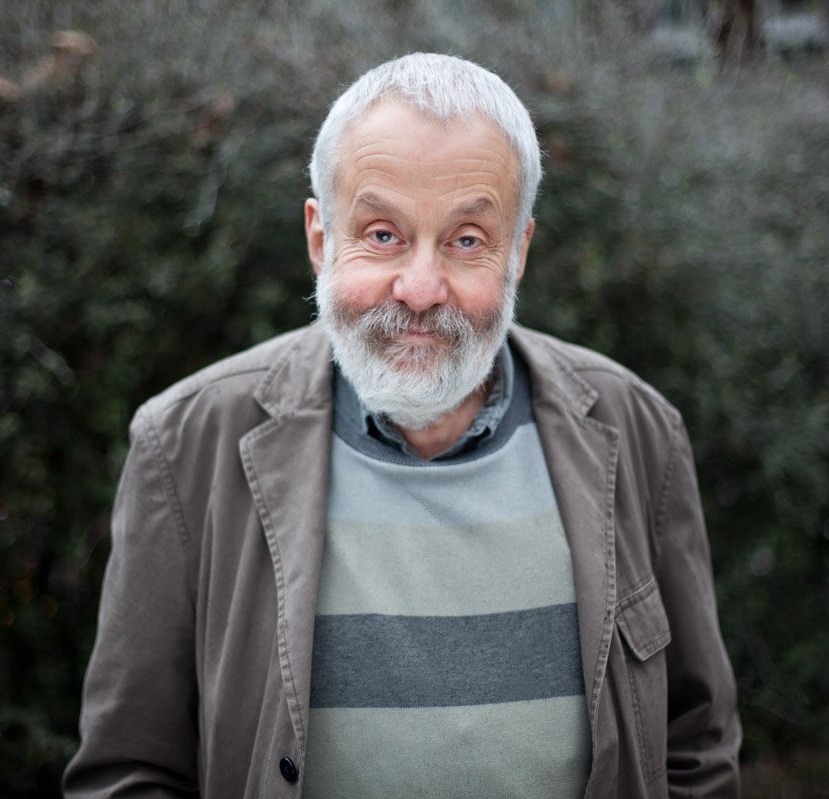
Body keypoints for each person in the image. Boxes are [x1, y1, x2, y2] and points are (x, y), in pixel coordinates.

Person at [63, 53, 741, 798]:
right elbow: (129, 773)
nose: (419, 290)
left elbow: (695, 747)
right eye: (382, 234)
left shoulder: (638, 430)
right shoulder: (185, 445)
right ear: (320, 238)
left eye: (467, 240)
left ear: (517, 251)